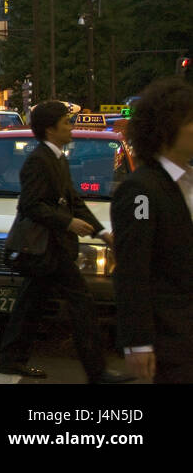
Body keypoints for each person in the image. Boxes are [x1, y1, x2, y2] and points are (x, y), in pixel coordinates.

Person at [0, 100, 130, 383]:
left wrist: (100, 232)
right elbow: (31, 205)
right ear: (50, 129)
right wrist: (67, 222)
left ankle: (11, 359)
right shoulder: (38, 161)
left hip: (52, 248)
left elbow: (73, 201)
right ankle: (97, 371)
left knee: (30, 305)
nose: (71, 127)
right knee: (80, 306)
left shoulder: (56, 158)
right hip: (48, 247)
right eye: (66, 123)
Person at [113, 79, 193, 383]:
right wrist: (138, 342)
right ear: (166, 129)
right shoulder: (141, 190)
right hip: (171, 337)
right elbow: (133, 269)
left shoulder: (187, 180)